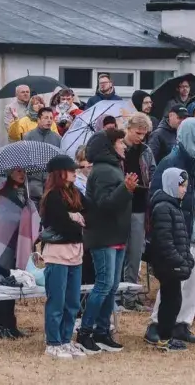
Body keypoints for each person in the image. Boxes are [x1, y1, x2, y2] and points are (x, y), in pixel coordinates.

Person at [144, 118, 195, 345]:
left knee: (194, 282)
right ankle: (157, 324)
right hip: (181, 232)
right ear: (190, 135)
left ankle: (182, 324)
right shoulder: (173, 161)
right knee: (173, 283)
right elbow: (161, 196)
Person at [77, 128, 135, 354]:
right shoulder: (102, 171)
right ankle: (85, 332)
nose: (124, 145)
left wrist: (127, 189)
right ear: (109, 146)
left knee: (111, 287)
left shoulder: (113, 168)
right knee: (103, 285)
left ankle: (102, 332)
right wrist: (125, 189)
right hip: (103, 236)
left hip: (116, 235)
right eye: (120, 142)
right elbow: (103, 204)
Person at [39, 154, 87, 358]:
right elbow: (62, 225)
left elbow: (90, 213)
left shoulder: (75, 192)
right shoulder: (52, 196)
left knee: (73, 301)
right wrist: (76, 220)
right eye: (71, 169)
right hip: (57, 254)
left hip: (76, 254)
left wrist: (76, 219)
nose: (75, 172)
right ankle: (53, 342)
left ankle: (66, 339)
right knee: (56, 300)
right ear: (60, 173)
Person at [0, 166, 38, 342]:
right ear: (9, 172)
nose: (21, 173)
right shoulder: (4, 193)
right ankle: (2, 326)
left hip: (18, 245)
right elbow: (2, 219)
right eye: (18, 171)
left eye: (24, 171)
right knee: (4, 288)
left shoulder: (24, 193)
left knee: (13, 287)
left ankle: (11, 325)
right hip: (5, 246)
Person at [149, 168, 195, 352]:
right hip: (167, 265)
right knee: (170, 301)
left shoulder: (174, 207)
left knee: (173, 299)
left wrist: (187, 259)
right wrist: (179, 261)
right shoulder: (163, 208)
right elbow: (165, 241)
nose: (184, 189)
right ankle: (164, 336)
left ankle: (166, 335)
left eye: (185, 186)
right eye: (181, 185)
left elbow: (180, 239)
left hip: (173, 263)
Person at [119, 113, 155, 312]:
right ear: (128, 129)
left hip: (140, 206)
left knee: (135, 254)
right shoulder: (118, 148)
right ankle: (116, 296)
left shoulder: (146, 150)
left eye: (144, 134)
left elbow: (153, 171)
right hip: (120, 207)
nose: (140, 137)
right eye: (137, 133)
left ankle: (130, 296)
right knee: (118, 252)